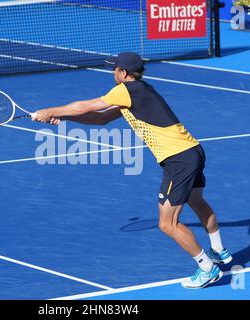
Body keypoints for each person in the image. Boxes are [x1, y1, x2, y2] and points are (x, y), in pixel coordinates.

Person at [32, 52, 232, 289]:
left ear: (123, 73)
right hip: (192, 151)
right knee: (196, 200)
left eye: (115, 69)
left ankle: (207, 267)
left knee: (167, 224)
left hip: (178, 160)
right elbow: (100, 119)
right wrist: (65, 119)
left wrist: (50, 110)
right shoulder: (138, 92)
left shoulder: (126, 90)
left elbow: (85, 105)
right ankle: (219, 249)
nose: (112, 72)